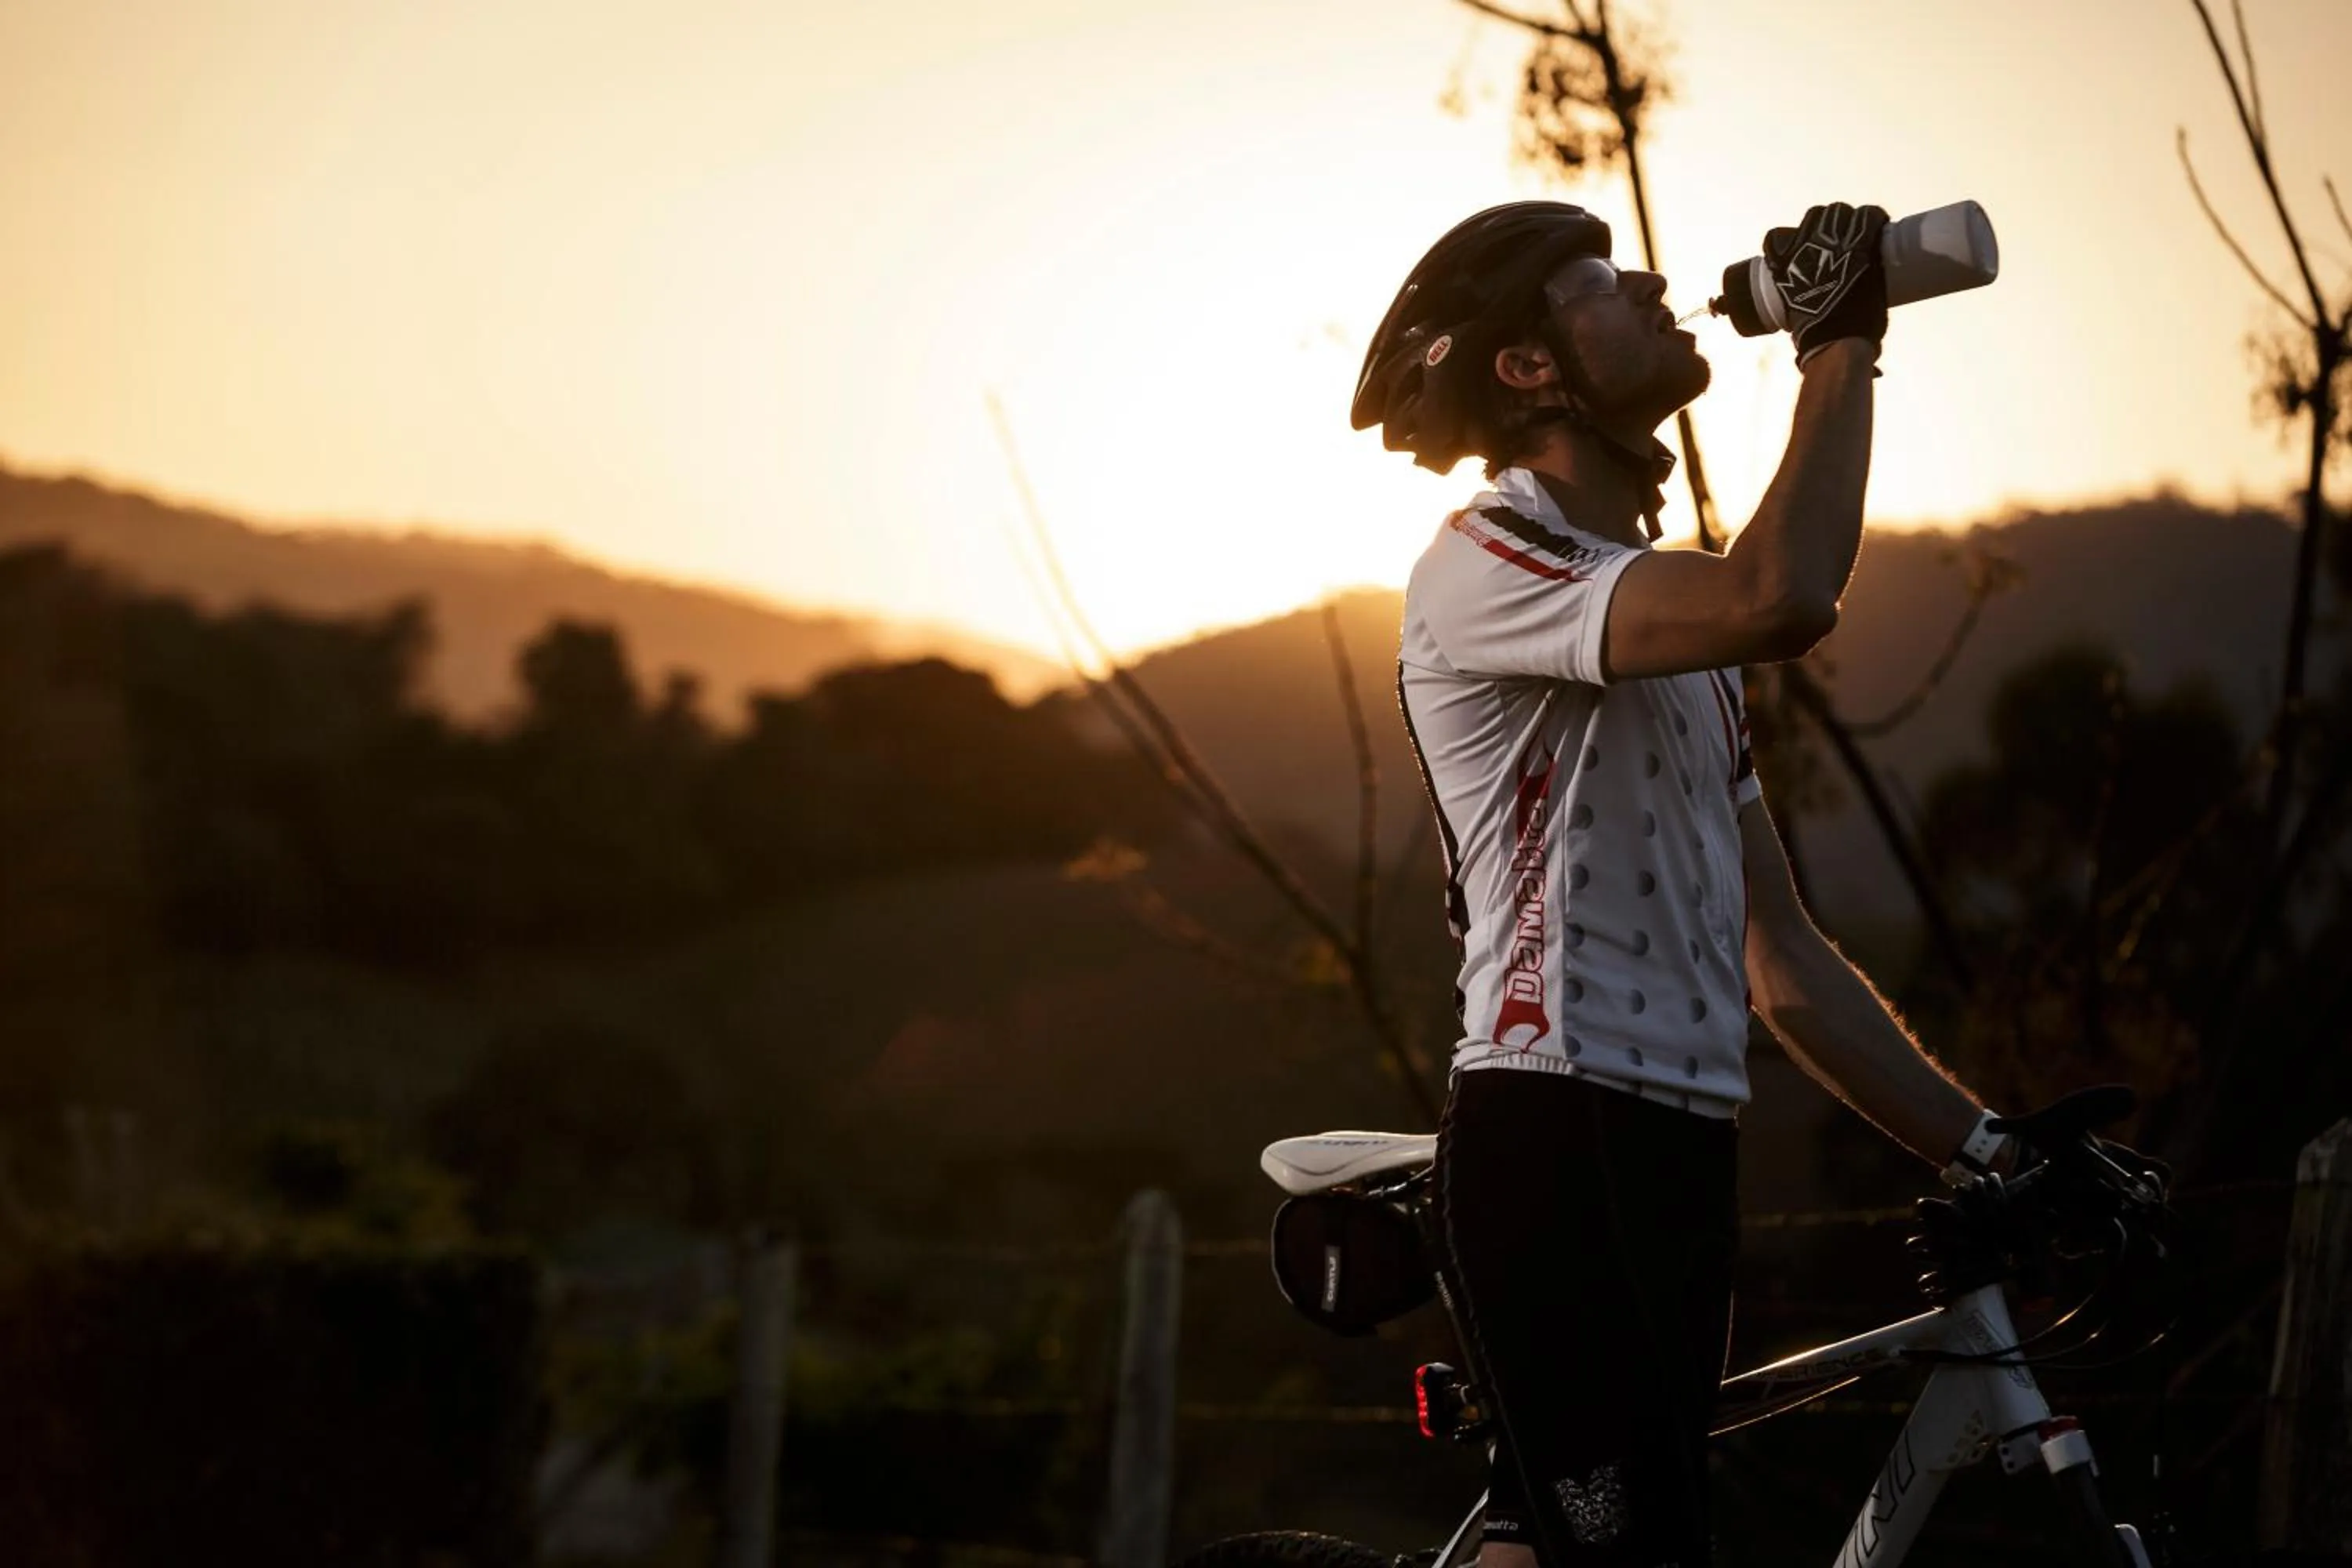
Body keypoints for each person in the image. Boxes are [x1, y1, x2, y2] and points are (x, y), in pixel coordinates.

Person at [1352, 201, 2016, 1566]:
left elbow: (1786, 960)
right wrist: (1840, 346)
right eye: (1603, 283)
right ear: (1530, 369)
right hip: (1552, 1136)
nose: (1653, 284)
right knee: (1622, 1547)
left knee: (1593, 1539)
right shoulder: (1489, 561)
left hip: (1681, 1151)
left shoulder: (1673, 631)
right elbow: (1784, 596)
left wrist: (1999, 1151)